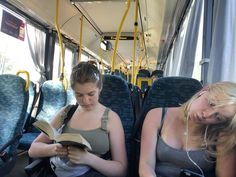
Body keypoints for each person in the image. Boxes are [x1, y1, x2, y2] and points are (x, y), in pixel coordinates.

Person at [28, 62, 127, 177]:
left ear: (100, 88)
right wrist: (54, 149)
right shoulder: (66, 112)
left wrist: (88, 159)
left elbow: (121, 170)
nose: (85, 100)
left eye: (91, 94)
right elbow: (33, 149)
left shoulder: (112, 119)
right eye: (79, 95)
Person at [139, 81, 236, 177]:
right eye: (211, 103)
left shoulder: (221, 133)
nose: (206, 115)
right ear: (204, 90)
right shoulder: (157, 115)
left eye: (218, 117)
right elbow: (146, 166)